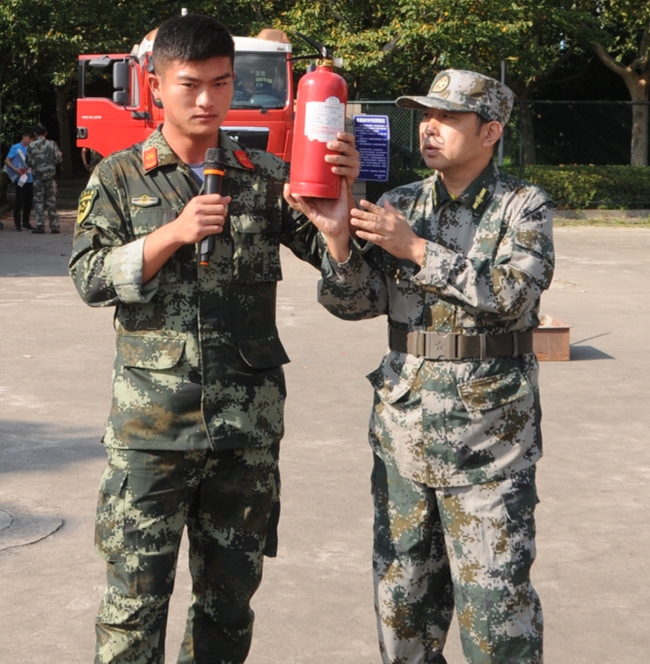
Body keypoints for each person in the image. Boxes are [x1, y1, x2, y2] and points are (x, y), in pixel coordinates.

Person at [68, 13, 358, 664]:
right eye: (190, 84)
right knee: (132, 610)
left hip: (244, 436)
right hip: (151, 435)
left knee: (228, 609)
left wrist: (339, 227)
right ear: (155, 85)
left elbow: (353, 297)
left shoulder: (268, 176)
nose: (207, 100)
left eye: (221, 84)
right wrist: (171, 234)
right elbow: (88, 278)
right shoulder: (119, 177)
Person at [289, 70, 554, 664]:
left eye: (448, 118)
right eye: (425, 116)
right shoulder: (400, 203)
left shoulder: (522, 205)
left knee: (496, 616)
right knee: (402, 609)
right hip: (404, 433)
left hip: (491, 441)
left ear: (490, 132)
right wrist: (337, 240)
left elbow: (513, 294)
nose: (429, 128)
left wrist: (413, 248)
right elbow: (356, 303)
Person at [26, 124, 63, 234]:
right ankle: (54, 226)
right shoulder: (52, 144)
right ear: (46, 133)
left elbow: (28, 162)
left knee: (38, 201)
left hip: (37, 177)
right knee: (51, 200)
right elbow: (59, 159)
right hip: (50, 176)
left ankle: (40, 225)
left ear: (35, 134)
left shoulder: (31, 145)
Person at [3, 127, 36, 231]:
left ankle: (26, 222)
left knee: (28, 202)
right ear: (24, 137)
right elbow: (7, 161)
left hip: (30, 178)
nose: (30, 141)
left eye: (32, 139)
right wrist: (15, 169)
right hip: (20, 178)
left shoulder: (31, 148)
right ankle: (17, 224)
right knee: (19, 201)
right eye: (29, 138)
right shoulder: (16, 147)